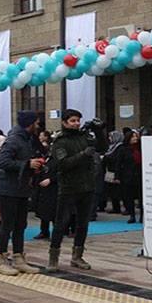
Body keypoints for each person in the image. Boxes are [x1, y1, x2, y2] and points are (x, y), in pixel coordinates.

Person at [46, 109, 97, 271]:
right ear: (65, 122)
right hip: (68, 187)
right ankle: (53, 258)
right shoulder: (60, 141)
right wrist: (83, 154)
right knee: (61, 223)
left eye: (78, 121)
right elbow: (63, 164)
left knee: (82, 224)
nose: (76, 123)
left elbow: (101, 147)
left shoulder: (84, 137)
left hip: (86, 186)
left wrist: (99, 130)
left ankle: (77, 256)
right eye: (73, 121)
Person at [0, 111, 43, 276]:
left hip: (21, 188)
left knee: (21, 224)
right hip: (8, 189)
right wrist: (27, 164)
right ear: (29, 124)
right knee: (7, 224)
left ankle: (18, 257)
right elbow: (2, 162)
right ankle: (1, 259)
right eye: (36, 122)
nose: (38, 125)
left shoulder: (27, 140)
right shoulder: (14, 140)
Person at [115, 130, 142, 223]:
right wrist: (117, 177)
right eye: (133, 137)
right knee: (129, 197)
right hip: (127, 176)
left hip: (140, 176)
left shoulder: (140, 148)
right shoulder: (123, 149)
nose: (135, 138)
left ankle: (142, 216)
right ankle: (132, 215)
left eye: (136, 136)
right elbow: (118, 163)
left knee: (141, 197)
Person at [33, 130, 57, 239]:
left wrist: (51, 180)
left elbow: (62, 173)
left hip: (54, 187)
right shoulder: (46, 158)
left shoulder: (58, 159)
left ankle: (56, 233)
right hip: (43, 187)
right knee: (43, 211)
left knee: (54, 211)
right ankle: (44, 231)